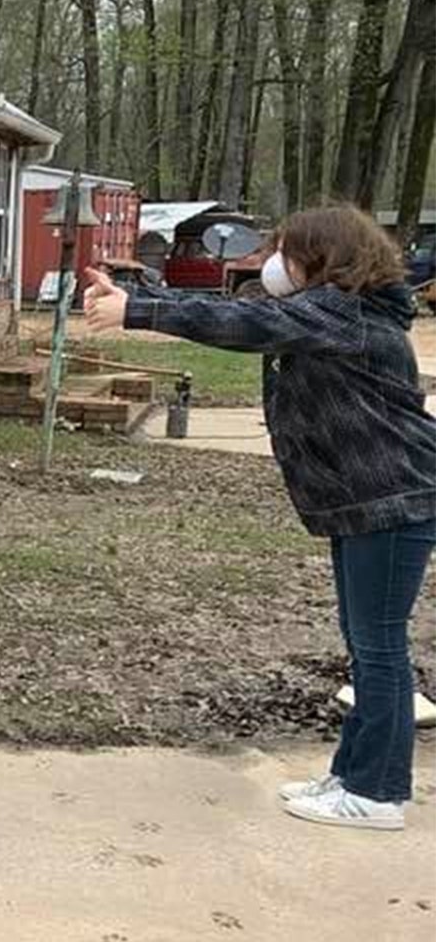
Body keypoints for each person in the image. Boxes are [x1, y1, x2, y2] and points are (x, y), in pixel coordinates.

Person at [83, 205, 436, 831]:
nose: (274, 262)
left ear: (322, 259)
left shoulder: (343, 314)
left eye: (286, 251)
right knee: (367, 645)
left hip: (393, 501)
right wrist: (140, 298)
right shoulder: (337, 313)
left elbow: (242, 321)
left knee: (380, 649)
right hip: (366, 503)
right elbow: (242, 312)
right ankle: (353, 774)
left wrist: (136, 309)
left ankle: (378, 794)